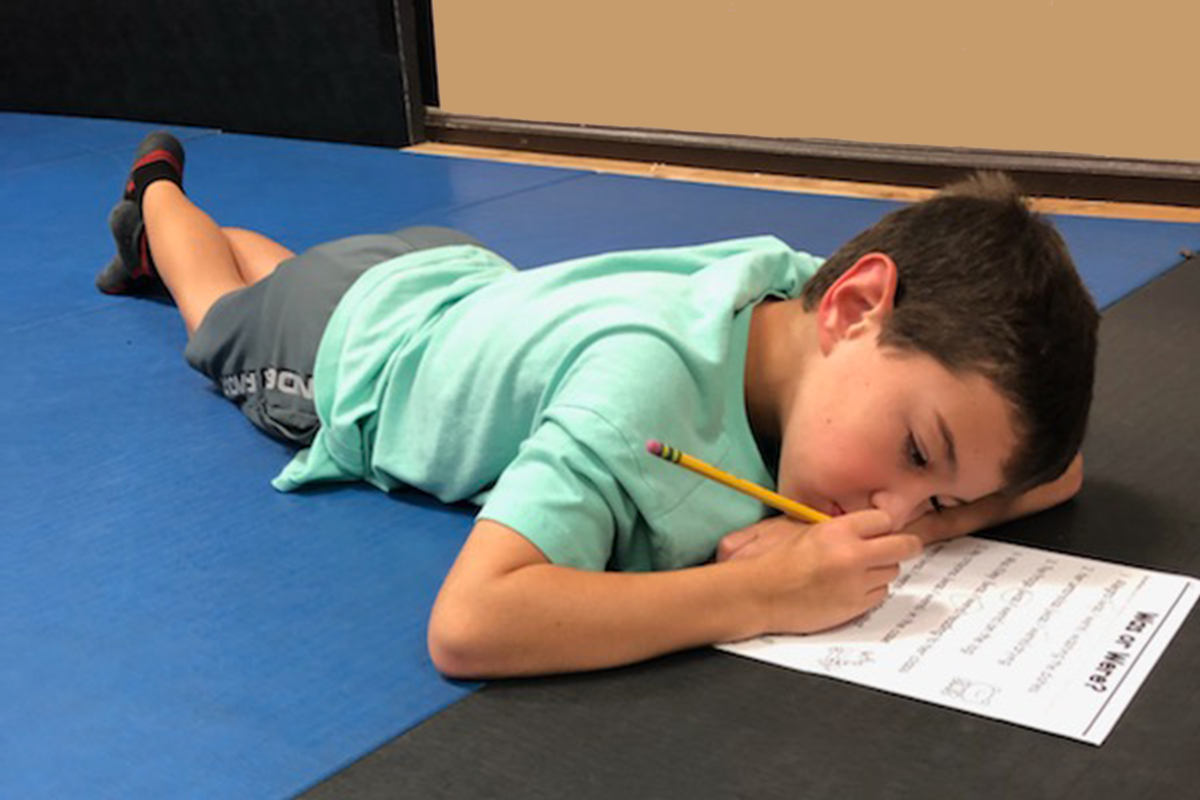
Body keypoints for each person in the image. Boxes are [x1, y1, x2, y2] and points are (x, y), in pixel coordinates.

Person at [99, 132, 1098, 679]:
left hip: (449, 277)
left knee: (290, 276)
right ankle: (156, 201)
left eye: (936, 500)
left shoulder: (805, 306)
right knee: (224, 309)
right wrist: (769, 593)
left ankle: (241, 247)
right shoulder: (641, 394)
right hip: (346, 356)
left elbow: (1059, 468)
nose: (896, 510)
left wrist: (926, 517)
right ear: (854, 303)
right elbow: (472, 622)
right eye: (917, 454)